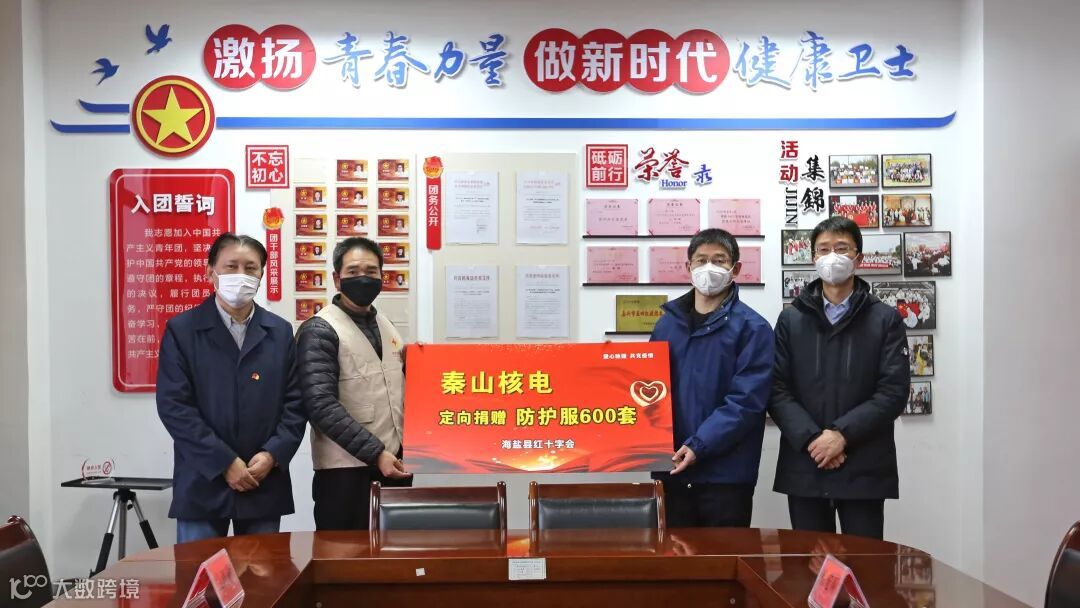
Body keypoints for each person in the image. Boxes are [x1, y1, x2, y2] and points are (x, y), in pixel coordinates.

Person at [156, 233, 305, 543]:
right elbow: (175, 407)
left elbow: (296, 402)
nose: (241, 275)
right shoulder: (183, 330)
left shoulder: (279, 332)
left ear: (261, 275)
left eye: (250, 268)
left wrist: (273, 454)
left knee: (264, 572)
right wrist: (223, 462)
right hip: (203, 479)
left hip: (262, 478)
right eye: (231, 266)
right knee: (200, 572)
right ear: (210, 272)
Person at [769, 217, 910, 540]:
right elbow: (776, 388)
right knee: (808, 563)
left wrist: (841, 436)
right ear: (813, 258)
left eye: (842, 248)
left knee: (863, 564)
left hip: (864, 464)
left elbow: (893, 391)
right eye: (824, 249)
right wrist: (814, 440)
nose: (832, 256)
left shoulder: (885, 319)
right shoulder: (791, 319)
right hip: (806, 463)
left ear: (858, 258)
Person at [649, 228, 775, 527]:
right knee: (671, 551)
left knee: (725, 555)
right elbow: (649, 390)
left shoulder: (753, 328)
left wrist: (699, 445)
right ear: (688, 267)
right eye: (701, 260)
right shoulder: (666, 326)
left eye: (719, 260)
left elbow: (746, 402)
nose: (709, 268)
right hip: (670, 468)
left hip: (726, 476)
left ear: (736, 269)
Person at [296, 237, 411, 530]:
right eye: (353, 271)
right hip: (345, 475)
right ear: (337, 279)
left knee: (394, 551)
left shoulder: (385, 324)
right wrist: (376, 453)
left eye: (371, 272)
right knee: (344, 553)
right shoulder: (319, 330)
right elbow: (321, 405)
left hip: (394, 465)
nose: (363, 278)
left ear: (382, 277)